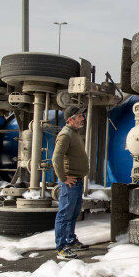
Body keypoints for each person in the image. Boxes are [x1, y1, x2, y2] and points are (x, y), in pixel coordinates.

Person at [52, 105, 90, 259]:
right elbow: (56, 158)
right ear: (70, 119)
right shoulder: (66, 135)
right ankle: (61, 248)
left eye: (82, 115)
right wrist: (63, 178)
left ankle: (70, 240)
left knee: (73, 214)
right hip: (70, 182)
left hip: (77, 181)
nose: (83, 118)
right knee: (64, 214)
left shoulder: (74, 133)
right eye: (79, 116)